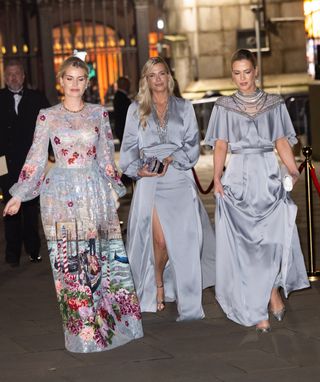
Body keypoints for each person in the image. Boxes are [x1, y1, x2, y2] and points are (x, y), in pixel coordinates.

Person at [3, 54, 143, 352]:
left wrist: (114, 191)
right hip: (60, 195)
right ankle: (83, 330)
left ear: (87, 82)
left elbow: (106, 157)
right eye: (70, 78)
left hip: (94, 192)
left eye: (81, 79)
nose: (75, 84)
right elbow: (36, 159)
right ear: (61, 81)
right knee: (69, 262)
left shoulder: (98, 114)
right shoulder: (47, 115)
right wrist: (18, 194)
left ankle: (109, 323)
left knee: (100, 258)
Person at [204, 49, 310, 332]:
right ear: (232, 74)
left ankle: (271, 291)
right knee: (246, 244)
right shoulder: (223, 106)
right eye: (236, 73)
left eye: (247, 72)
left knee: (271, 240)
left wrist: (292, 168)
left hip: (267, 174)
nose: (242, 78)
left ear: (256, 71)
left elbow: (281, 140)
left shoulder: (273, 103)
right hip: (238, 175)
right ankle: (259, 304)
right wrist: (216, 177)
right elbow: (221, 144)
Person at [119, 56, 215, 321]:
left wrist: (174, 157)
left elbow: (193, 144)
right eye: (152, 75)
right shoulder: (135, 109)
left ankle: (186, 298)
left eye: (161, 74)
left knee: (184, 243)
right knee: (159, 240)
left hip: (179, 179)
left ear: (168, 77)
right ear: (146, 80)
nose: (158, 80)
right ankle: (158, 283)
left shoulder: (184, 107)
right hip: (150, 181)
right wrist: (138, 169)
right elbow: (128, 149)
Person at [0, 60, 50, 266]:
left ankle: (33, 249)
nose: (13, 78)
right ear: (5, 77)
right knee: (9, 207)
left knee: (30, 207)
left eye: (16, 74)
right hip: (3, 162)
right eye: (9, 74)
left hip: (31, 163)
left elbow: (49, 128)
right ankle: (12, 254)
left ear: (23, 76)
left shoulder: (37, 98)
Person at [113, 76, 131, 144]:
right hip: (123, 128)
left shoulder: (119, 95)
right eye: (128, 84)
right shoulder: (121, 97)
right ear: (124, 85)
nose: (130, 86)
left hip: (121, 128)